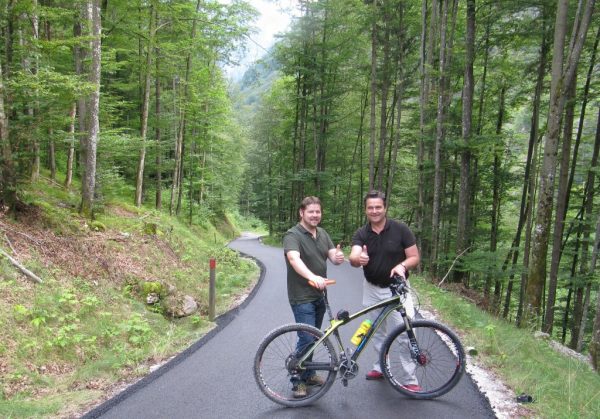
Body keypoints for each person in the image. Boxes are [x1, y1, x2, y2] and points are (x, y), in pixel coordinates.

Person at [348, 190, 421, 391]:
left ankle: (409, 379)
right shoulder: (361, 233)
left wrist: (403, 266)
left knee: (405, 332)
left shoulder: (400, 229)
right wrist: (357, 259)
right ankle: (380, 366)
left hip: (398, 290)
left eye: (378, 207)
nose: (374, 211)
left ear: (385, 208)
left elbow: (414, 256)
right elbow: (354, 256)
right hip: (371, 289)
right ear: (365, 210)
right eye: (370, 207)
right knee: (376, 331)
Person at [283, 196, 345, 398]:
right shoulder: (293, 235)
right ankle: (298, 381)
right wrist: (312, 276)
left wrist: (338, 257)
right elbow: (294, 259)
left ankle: (309, 373)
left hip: (319, 294)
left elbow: (332, 257)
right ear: (302, 212)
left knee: (314, 337)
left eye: (318, 212)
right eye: (311, 212)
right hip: (302, 296)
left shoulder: (323, 233)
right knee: (307, 337)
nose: (315, 215)